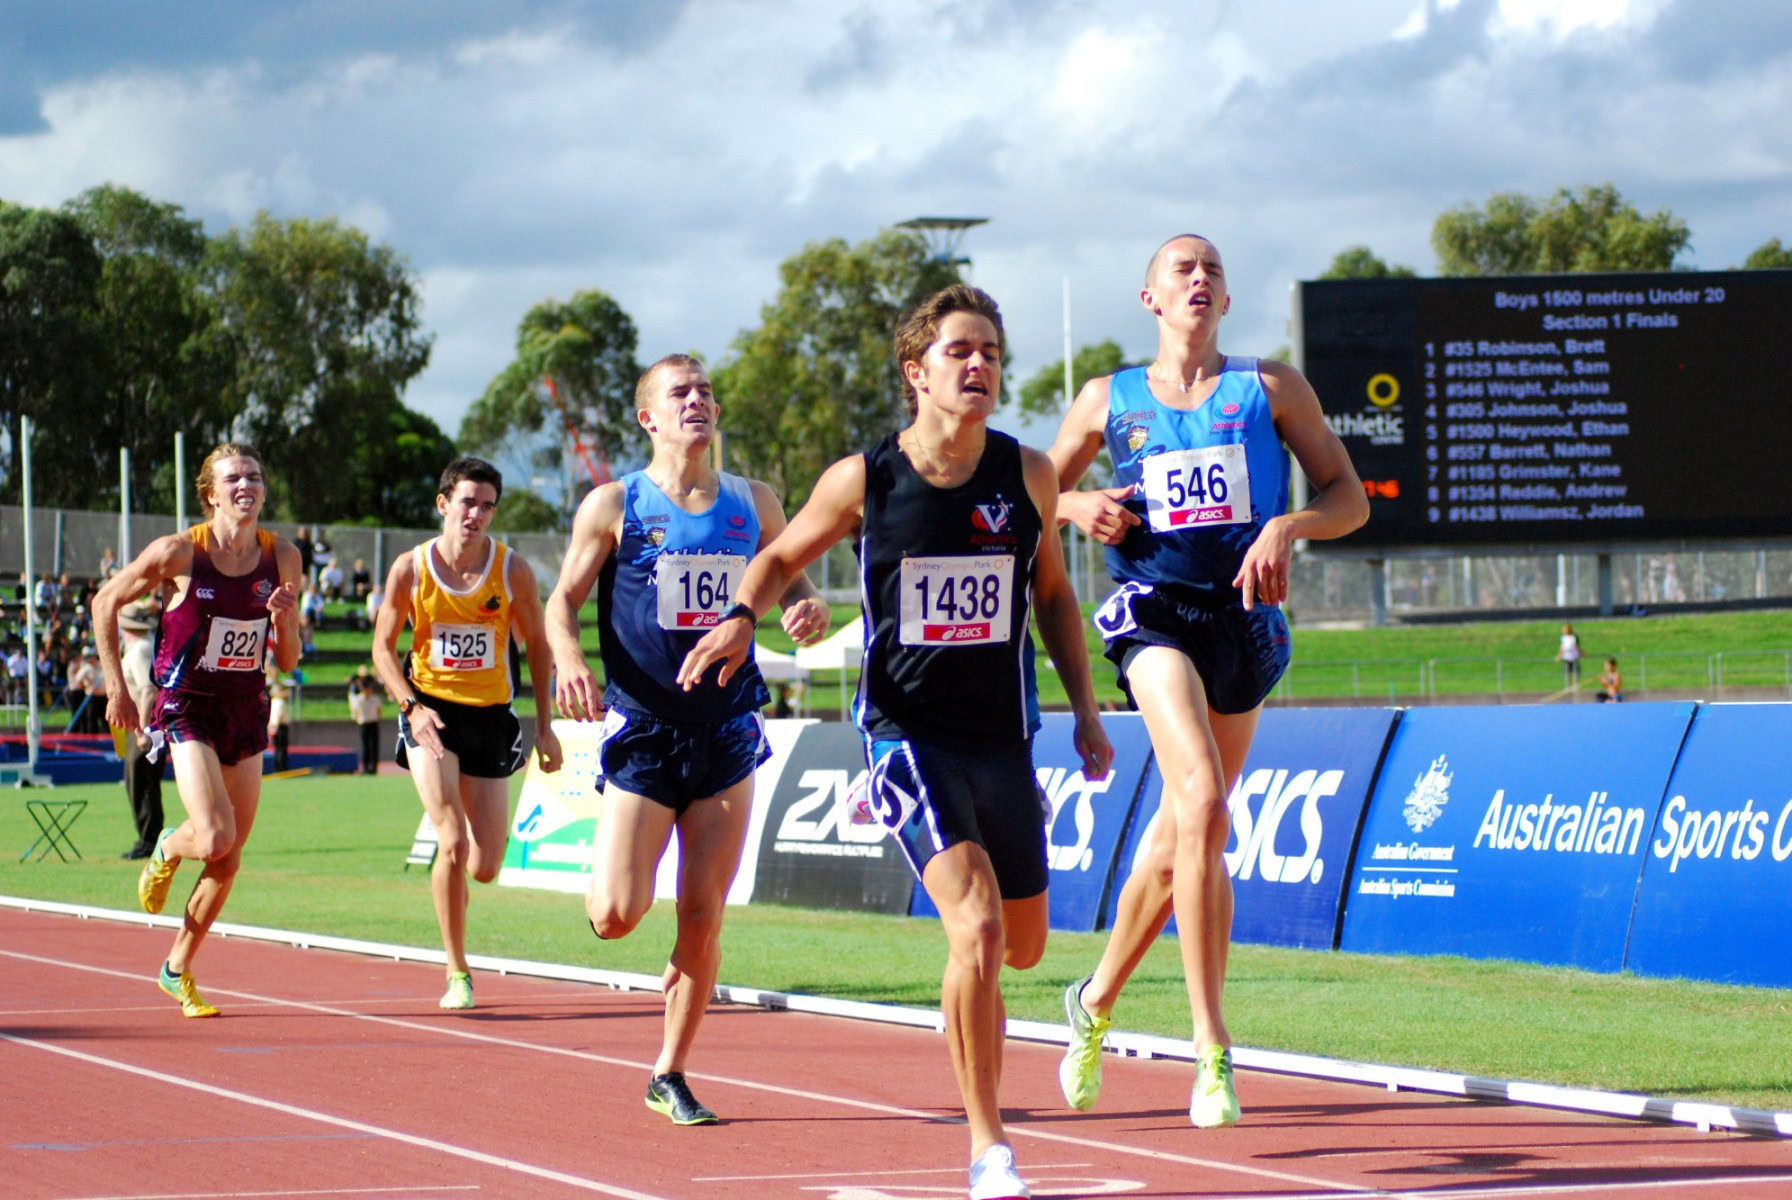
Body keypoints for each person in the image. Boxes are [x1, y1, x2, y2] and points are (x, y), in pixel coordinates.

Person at [679, 289, 1112, 1198]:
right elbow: (775, 557)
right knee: (978, 928)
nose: (980, 366)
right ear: (917, 372)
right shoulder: (865, 479)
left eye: (991, 351)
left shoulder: (1029, 474)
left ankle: (972, 1008)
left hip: (1002, 737)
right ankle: (989, 1147)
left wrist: (1084, 707)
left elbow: (1056, 599)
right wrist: (736, 618)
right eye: (961, 351)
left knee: (1024, 945)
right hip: (904, 736)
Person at [1045, 234, 1366, 1128]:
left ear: (1226, 299)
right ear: (1149, 297)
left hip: (1244, 625)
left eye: (1213, 269)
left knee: (1188, 826)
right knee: (1200, 795)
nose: (1199, 278)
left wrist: (1289, 527)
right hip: (1154, 615)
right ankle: (1212, 1047)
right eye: (1181, 269)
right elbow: (1029, 489)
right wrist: (1074, 504)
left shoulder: (1269, 389)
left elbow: (1351, 496)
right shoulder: (1108, 398)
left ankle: (1095, 1001)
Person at [545, 352, 829, 1127]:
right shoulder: (614, 505)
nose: (697, 400)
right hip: (645, 728)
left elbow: (793, 578)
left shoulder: (756, 500)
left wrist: (805, 606)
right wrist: (569, 657)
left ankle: (670, 1070)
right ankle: (612, 867)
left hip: (730, 728)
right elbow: (560, 603)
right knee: (615, 915)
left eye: (705, 390)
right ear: (649, 418)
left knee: (702, 912)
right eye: (680, 392)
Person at [93, 442, 302, 1018]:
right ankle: (166, 844)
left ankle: (175, 968)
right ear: (211, 493)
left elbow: (287, 659)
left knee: (228, 859)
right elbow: (104, 601)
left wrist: (284, 619)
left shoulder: (281, 555)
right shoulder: (179, 552)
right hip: (187, 706)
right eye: (234, 478)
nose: (247, 486)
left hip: (246, 707)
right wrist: (116, 688)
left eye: (255, 477)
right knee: (212, 837)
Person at [371, 457, 564, 1010]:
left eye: (486, 506)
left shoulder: (513, 572)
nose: (476, 514)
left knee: (484, 866)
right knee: (450, 841)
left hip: (491, 718)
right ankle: (458, 970)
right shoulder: (411, 569)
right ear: (443, 505)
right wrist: (410, 707)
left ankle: (453, 864)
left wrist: (545, 729)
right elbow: (382, 649)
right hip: (430, 713)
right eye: (467, 503)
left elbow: (538, 647)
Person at [116, 601, 163, 859]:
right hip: (142, 725)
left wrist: (143, 729)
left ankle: (150, 840)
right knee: (139, 782)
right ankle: (148, 838)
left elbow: (148, 689)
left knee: (141, 783)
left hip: (144, 726)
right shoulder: (140, 649)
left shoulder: (140, 650)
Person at [348, 664, 385, 774]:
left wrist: (378, 718)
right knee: (365, 746)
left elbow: (379, 710)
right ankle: (365, 767)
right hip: (363, 723)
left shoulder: (375, 698)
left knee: (374, 746)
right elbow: (355, 711)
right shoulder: (358, 700)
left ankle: (374, 767)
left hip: (373, 722)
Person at [266, 664, 292, 771]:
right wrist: (273, 729)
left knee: (279, 749)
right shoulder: (278, 702)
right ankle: (281, 768)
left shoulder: (274, 701)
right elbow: (276, 717)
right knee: (281, 749)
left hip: (277, 727)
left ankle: (280, 768)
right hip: (280, 727)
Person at [1557, 622, 1582, 690]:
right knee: (1567, 672)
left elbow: (1577, 646)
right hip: (1566, 657)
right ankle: (1567, 686)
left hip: (1574, 656)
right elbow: (1562, 647)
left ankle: (1575, 685)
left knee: (1575, 671)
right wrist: (1559, 655)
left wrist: (1581, 653)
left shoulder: (1574, 637)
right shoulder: (1563, 637)